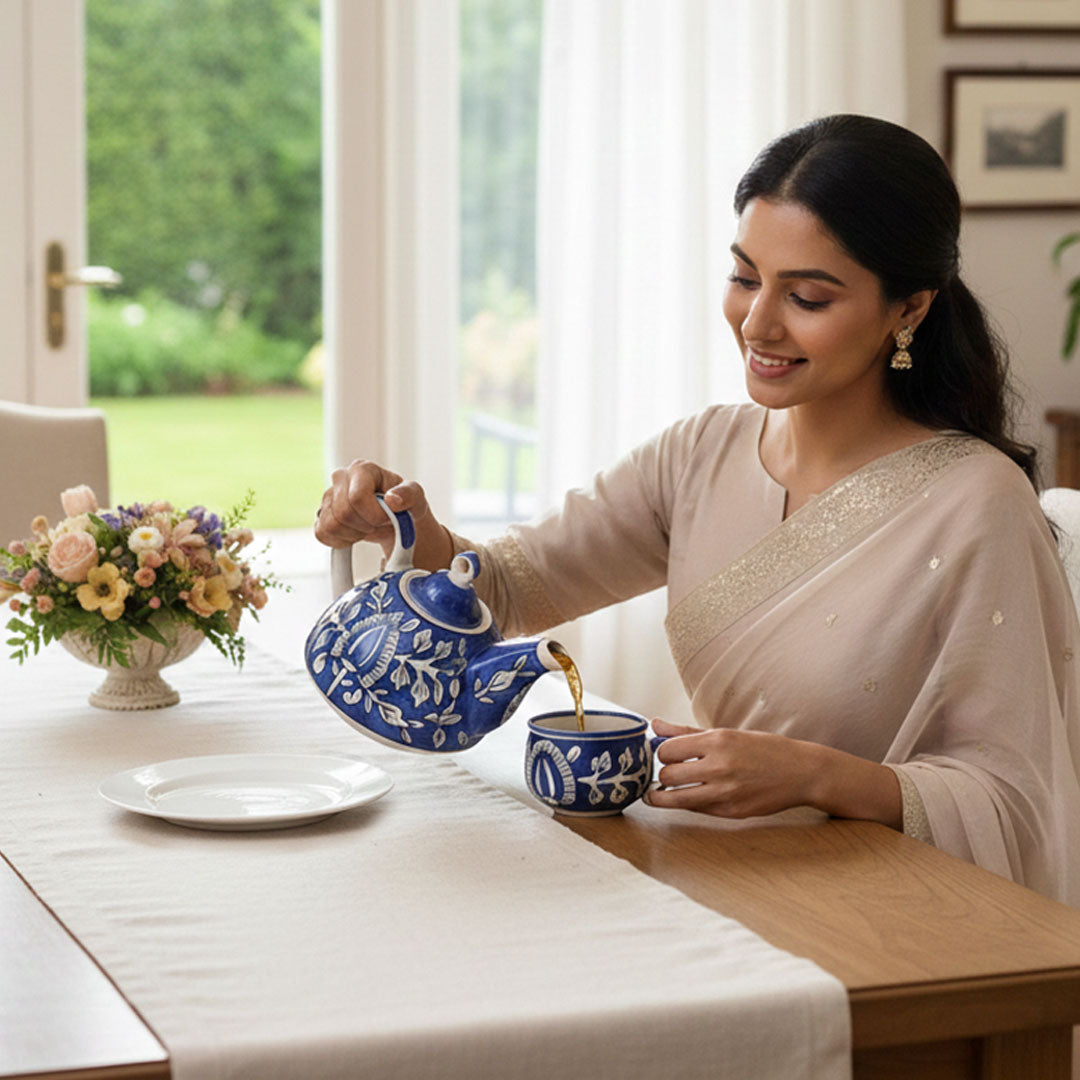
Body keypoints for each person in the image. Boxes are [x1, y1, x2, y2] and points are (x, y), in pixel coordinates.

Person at [315, 114, 1080, 907]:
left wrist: (822, 775)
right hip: (717, 877)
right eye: (746, 278)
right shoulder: (701, 454)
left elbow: (1021, 805)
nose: (757, 324)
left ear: (909, 310)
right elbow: (506, 589)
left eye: (808, 296)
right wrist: (405, 526)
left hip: (885, 908)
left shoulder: (976, 503)